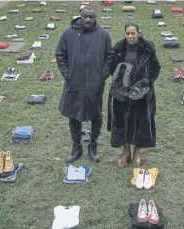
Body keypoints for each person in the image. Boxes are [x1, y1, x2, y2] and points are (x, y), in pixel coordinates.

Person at [55, 5, 113, 163]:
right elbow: (60, 55)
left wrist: (103, 75)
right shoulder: (68, 34)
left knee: (96, 115)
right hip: (74, 83)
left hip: (95, 84)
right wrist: (67, 74)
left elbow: (110, 56)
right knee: (73, 115)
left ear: (95, 18)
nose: (88, 19)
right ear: (80, 15)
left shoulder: (103, 35)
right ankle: (76, 146)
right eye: (85, 16)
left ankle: (93, 145)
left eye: (91, 17)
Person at [108, 22, 161, 168]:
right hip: (122, 93)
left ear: (138, 32)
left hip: (142, 93)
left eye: (133, 33)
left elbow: (155, 68)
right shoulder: (118, 48)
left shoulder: (147, 49)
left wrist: (146, 83)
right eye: (127, 33)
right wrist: (120, 82)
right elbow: (112, 68)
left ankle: (137, 151)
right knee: (122, 121)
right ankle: (125, 151)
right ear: (124, 33)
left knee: (140, 121)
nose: (130, 36)